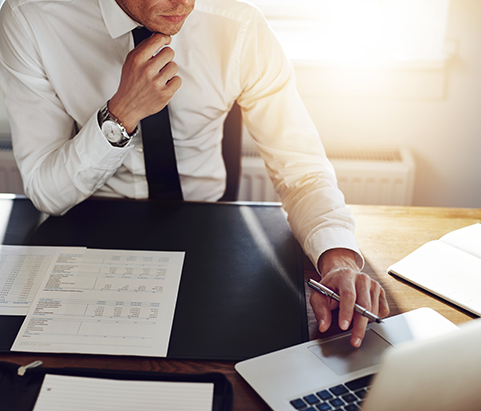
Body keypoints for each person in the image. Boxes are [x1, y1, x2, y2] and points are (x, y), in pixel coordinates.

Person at [0, 0, 389, 347]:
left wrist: (337, 258)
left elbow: (300, 169)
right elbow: (46, 192)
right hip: (89, 230)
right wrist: (121, 114)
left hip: (214, 235)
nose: (185, 2)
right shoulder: (30, 17)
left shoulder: (240, 25)